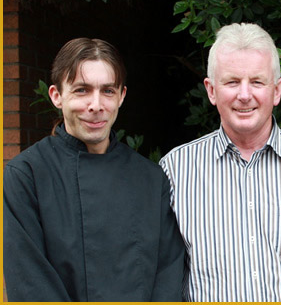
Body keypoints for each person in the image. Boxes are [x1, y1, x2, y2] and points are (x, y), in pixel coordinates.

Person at [159, 22, 281, 302]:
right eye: (232, 82)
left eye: (257, 81)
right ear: (211, 90)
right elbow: (164, 281)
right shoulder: (176, 169)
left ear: (277, 90)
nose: (244, 95)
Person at [4, 38, 185, 301]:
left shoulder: (150, 178)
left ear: (121, 96)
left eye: (108, 91)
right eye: (81, 90)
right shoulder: (27, 175)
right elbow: (30, 283)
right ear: (56, 96)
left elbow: (168, 273)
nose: (96, 105)